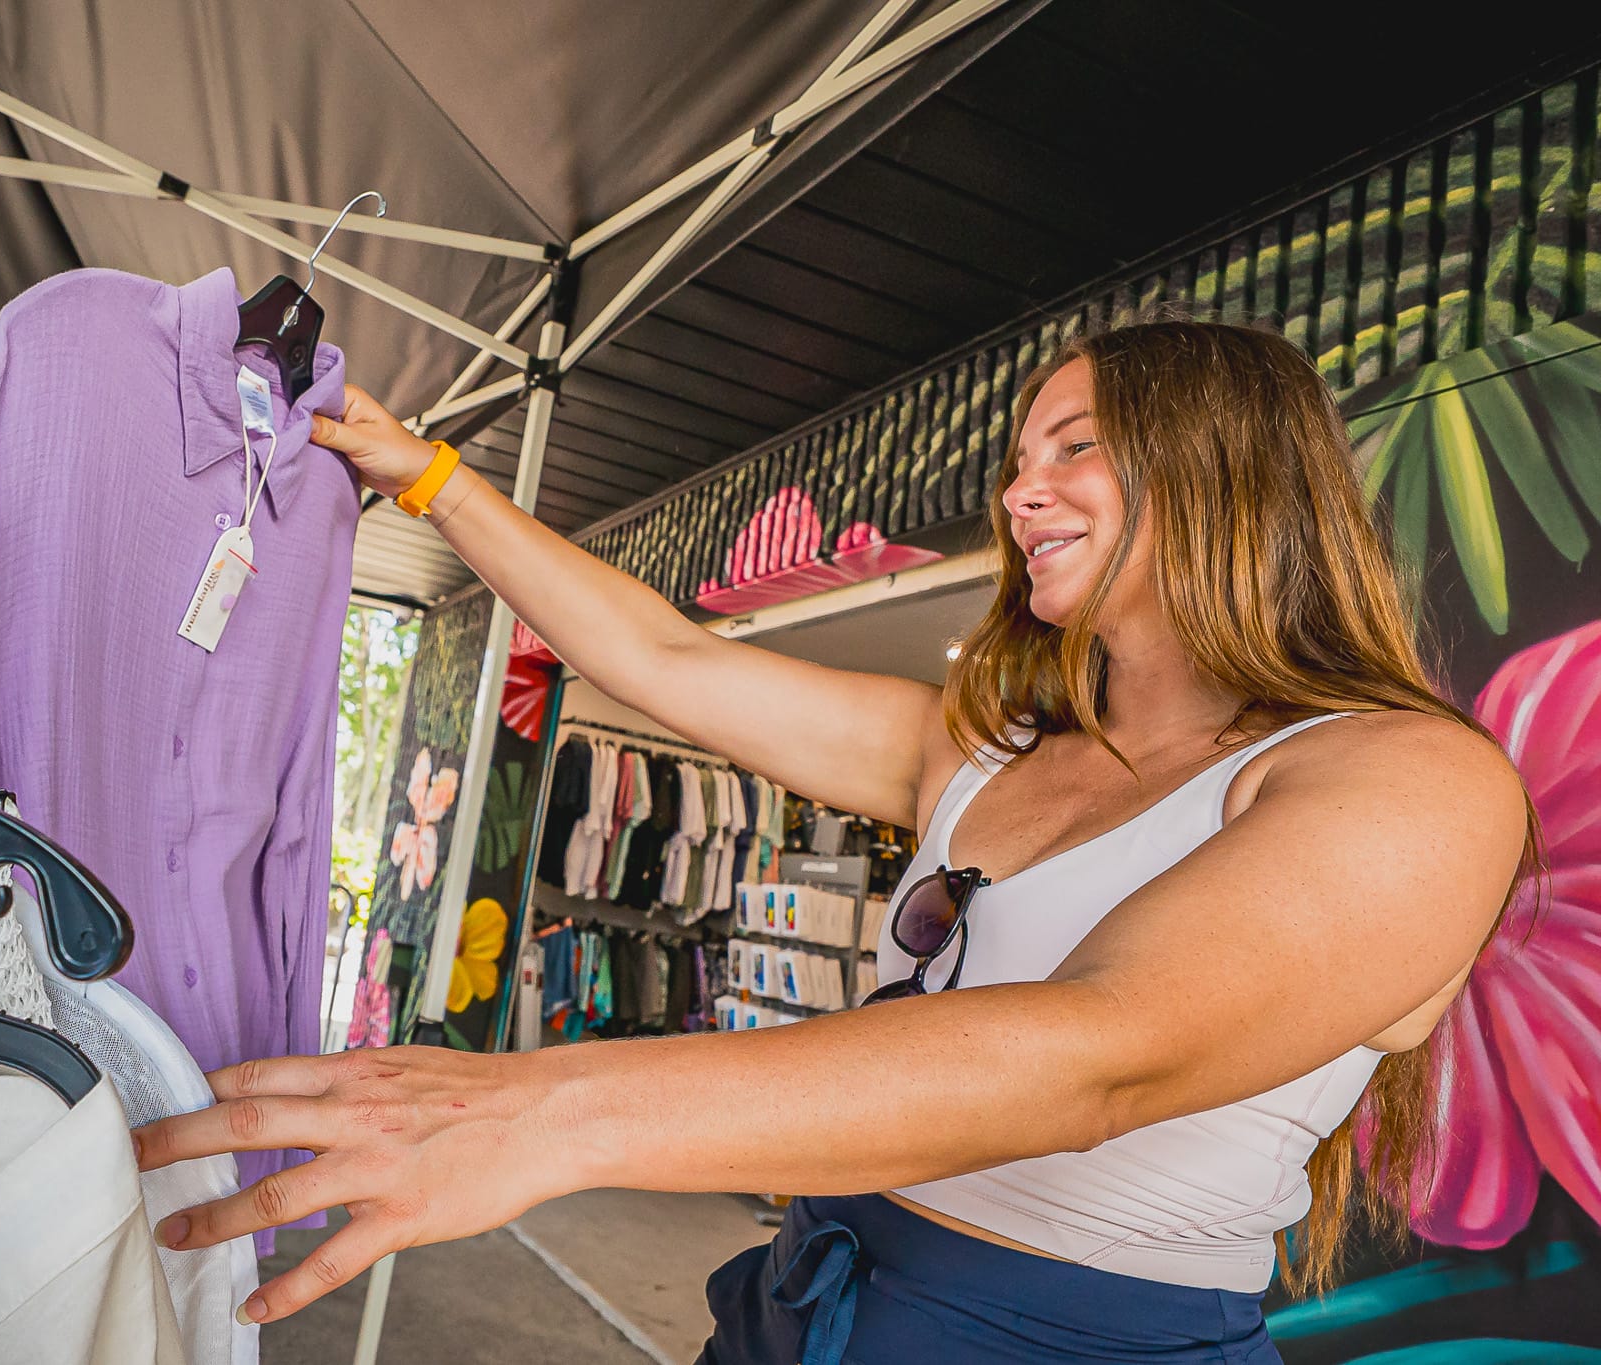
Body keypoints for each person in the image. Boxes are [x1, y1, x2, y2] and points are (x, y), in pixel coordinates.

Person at [133, 320, 1538, 1362]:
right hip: (813, 1294)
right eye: (1014, 459)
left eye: (1075, 449)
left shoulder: (1410, 780)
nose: (1017, 493)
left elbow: (1106, 1049)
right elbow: (668, 657)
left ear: (1232, 466)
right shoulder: (977, 750)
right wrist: (433, 475)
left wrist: (541, 1108)